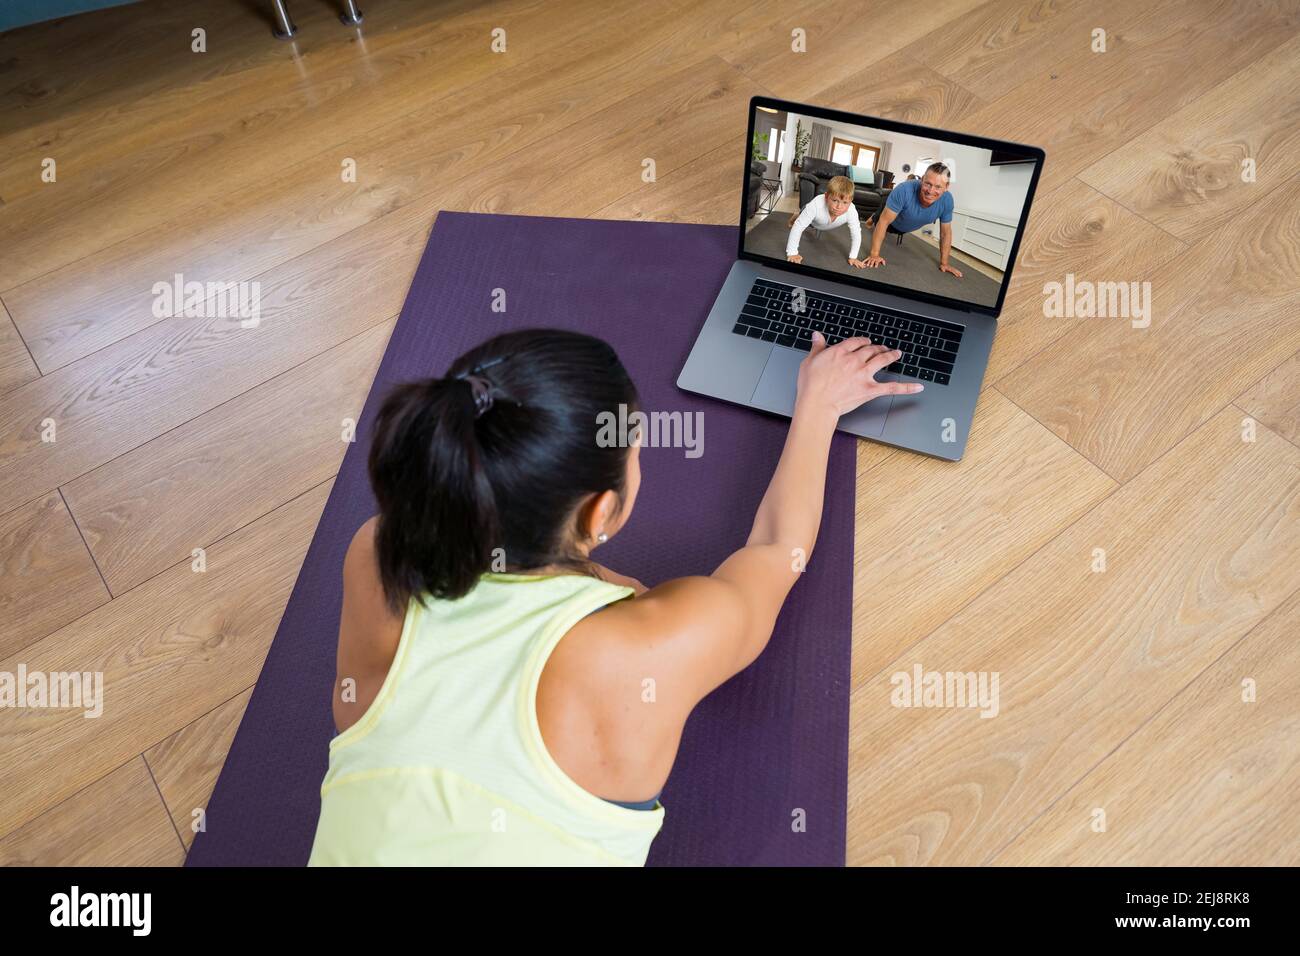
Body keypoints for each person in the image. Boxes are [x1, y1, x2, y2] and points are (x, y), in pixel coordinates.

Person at [307, 327, 921, 866]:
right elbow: (776, 549)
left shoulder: (381, 552)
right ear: (602, 509)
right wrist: (820, 404)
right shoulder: (647, 646)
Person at [861, 163, 964, 278]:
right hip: (892, 219)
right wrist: (874, 255)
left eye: (938, 187)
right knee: (877, 220)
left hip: (906, 225)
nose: (930, 191)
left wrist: (944, 263)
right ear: (922, 179)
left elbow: (945, 233)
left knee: (896, 223)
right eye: (928, 184)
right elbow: (884, 222)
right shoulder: (904, 190)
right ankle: (874, 216)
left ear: (946, 186)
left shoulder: (947, 200)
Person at [785, 175, 868, 268]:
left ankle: (801, 216)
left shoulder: (851, 210)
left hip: (822, 222)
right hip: (814, 220)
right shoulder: (816, 205)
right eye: (835, 200)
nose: (839, 207)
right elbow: (798, 227)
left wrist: (853, 257)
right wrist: (792, 253)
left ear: (851, 201)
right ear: (826, 196)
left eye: (845, 202)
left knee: (815, 221)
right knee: (802, 219)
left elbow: (856, 234)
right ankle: (798, 215)